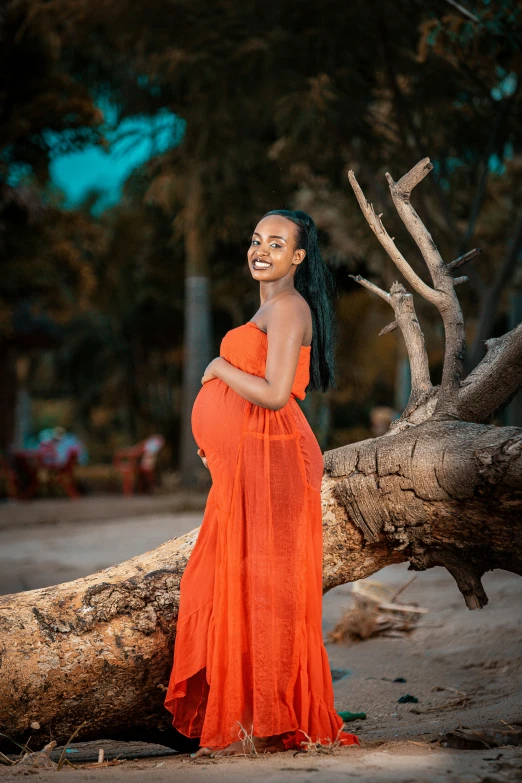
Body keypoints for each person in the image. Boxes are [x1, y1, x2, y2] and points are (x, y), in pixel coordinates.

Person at [164, 209, 360, 757]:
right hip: (250, 465)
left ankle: (267, 717)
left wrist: (218, 369)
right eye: (256, 240)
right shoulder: (270, 306)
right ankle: (250, 714)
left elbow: (276, 393)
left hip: (276, 465)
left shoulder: (290, 308)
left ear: (298, 257)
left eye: (277, 243)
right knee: (231, 583)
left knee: (267, 590)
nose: (261, 250)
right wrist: (218, 447)